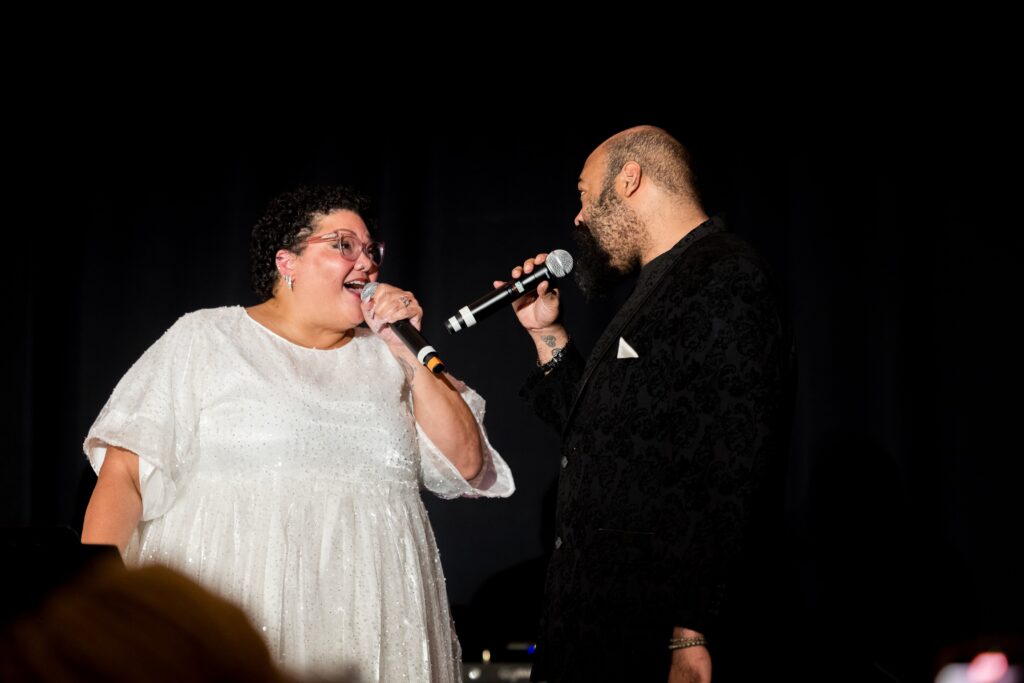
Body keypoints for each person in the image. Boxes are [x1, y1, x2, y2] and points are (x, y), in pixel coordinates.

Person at [80, 185, 514, 681]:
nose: (367, 262)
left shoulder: (391, 357)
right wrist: (95, 609)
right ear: (287, 262)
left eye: (372, 250)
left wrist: (407, 352)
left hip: (374, 627)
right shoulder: (208, 338)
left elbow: (468, 463)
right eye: (344, 245)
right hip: (232, 618)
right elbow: (125, 476)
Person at [504, 127, 794, 682]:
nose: (579, 217)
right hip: (598, 627)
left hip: (651, 636)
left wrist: (692, 631)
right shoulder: (656, 285)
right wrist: (547, 333)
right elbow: (602, 440)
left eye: (586, 195)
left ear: (629, 178)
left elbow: (732, 462)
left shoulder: (722, 274)